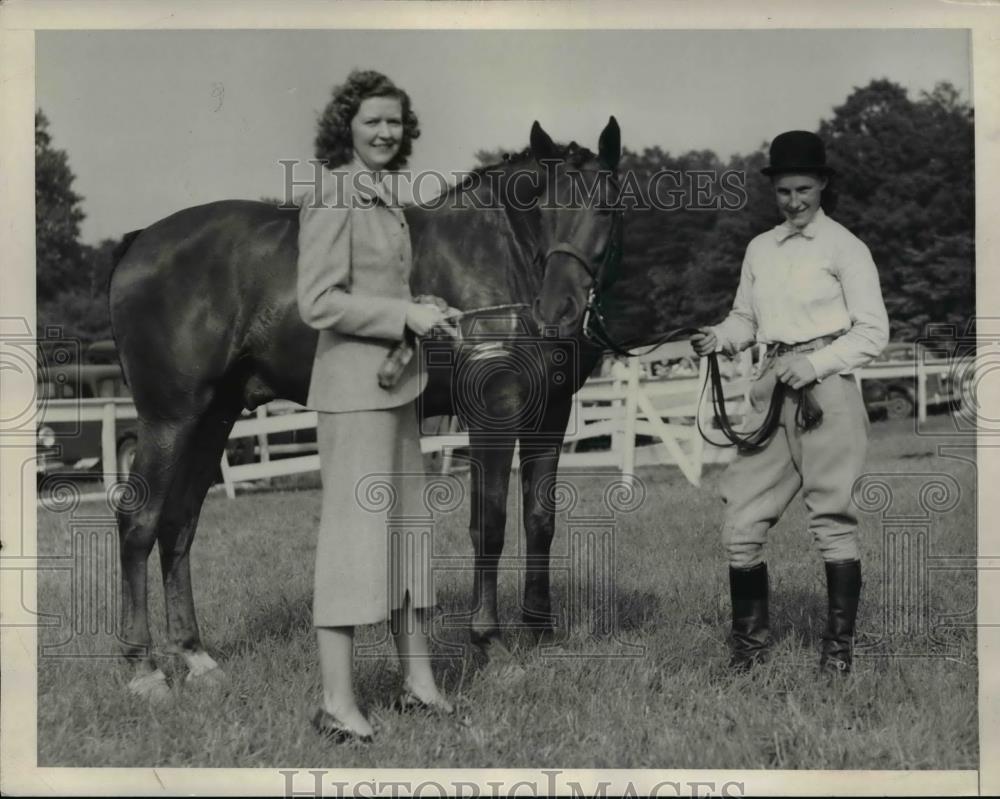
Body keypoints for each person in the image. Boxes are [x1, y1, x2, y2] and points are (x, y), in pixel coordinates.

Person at [691, 130, 889, 676]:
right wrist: (721, 337)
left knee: (831, 518)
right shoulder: (760, 249)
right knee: (741, 519)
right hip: (769, 386)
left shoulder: (846, 248)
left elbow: (873, 332)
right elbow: (746, 319)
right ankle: (749, 653)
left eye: (804, 188)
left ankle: (836, 655)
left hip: (827, 392)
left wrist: (817, 363)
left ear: (823, 183)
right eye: (784, 191)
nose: (794, 201)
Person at [296, 70, 456, 743]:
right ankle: (337, 701)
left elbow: (381, 290)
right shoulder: (334, 194)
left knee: (407, 537)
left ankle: (418, 683)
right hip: (353, 397)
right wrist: (402, 313)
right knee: (354, 543)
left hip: (395, 387)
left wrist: (420, 310)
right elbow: (317, 302)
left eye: (395, 123)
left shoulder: (381, 195)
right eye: (373, 123)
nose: (386, 133)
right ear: (347, 129)